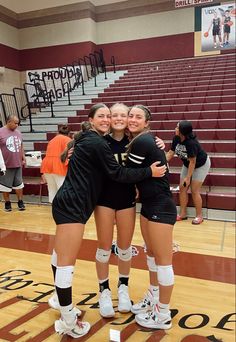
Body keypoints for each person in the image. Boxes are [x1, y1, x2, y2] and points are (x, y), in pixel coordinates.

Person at [49, 103, 167, 338]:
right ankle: (103, 290)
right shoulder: (99, 140)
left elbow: (156, 157)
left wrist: (161, 145)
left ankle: (123, 287)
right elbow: (85, 153)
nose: (120, 118)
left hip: (125, 201)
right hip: (100, 201)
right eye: (113, 115)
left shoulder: (138, 141)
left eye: (125, 115)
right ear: (105, 119)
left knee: (124, 249)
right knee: (103, 248)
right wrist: (72, 148)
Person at [126, 104, 176, 330]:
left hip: (160, 206)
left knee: (164, 262)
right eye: (130, 116)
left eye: (138, 117)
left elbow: (126, 175)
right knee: (151, 254)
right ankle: (154, 296)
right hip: (148, 205)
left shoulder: (144, 141)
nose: (132, 119)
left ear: (147, 123)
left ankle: (163, 314)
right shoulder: (142, 141)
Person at [166, 120, 211, 225]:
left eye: (177, 127)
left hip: (201, 164)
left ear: (182, 131)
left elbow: (193, 162)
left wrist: (188, 178)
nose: (175, 129)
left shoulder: (191, 143)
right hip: (188, 164)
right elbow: (170, 153)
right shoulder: (176, 138)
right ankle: (182, 214)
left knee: (194, 190)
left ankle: (199, 216)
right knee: (182, 188)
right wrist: (161, 162)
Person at [0, 115, 26, 211]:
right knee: (5, 185)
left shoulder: (18, 133)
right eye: (15, 123)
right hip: (5, 165)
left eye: (18, 123)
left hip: (17, 163)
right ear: (8, 122)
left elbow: (21, 146)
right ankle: (7, 203)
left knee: (19, 184)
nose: (17, 125)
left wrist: (23, 157)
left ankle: (20, 202)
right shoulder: (0, 132)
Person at [40, 125, 71, 203]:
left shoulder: (52, 140)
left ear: (58, 132)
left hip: (47, 165)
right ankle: (63, 210)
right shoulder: (68, 139)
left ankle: (54, 210)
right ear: (69, 133)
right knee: (62, 189)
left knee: (51, 189)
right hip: (59, 165)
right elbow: (69, 154)